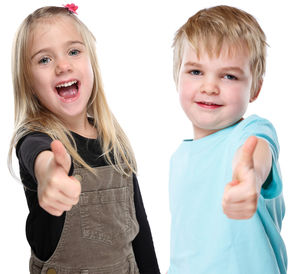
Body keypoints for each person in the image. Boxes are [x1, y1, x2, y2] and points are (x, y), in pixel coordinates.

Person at [8, 4, 160, 274]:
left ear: (91, 62)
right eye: (44, 59)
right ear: (29, 82)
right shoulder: (35, 139)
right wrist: (49, 176)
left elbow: (140, 231)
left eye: (74, 51)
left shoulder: (115, 140)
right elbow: (39, 158)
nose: (63, 65)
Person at [168, 5, 286, 274]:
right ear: (178, 77)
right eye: (196, 72)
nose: (209, 87)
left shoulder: (250, 133)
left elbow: (257, 155)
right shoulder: (178, 159)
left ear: (254, 88)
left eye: (229, 76)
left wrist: (250, 178)